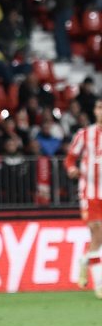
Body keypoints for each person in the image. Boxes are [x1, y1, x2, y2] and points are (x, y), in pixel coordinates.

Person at [65, 100, 102, 298]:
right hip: (90, 193)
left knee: (99, 239)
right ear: (95, 111)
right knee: (97, 233)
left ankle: (85, 260)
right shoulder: (85, 134)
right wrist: (72, 169)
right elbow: (70, 158)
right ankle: (99, 286)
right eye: (99, 107)